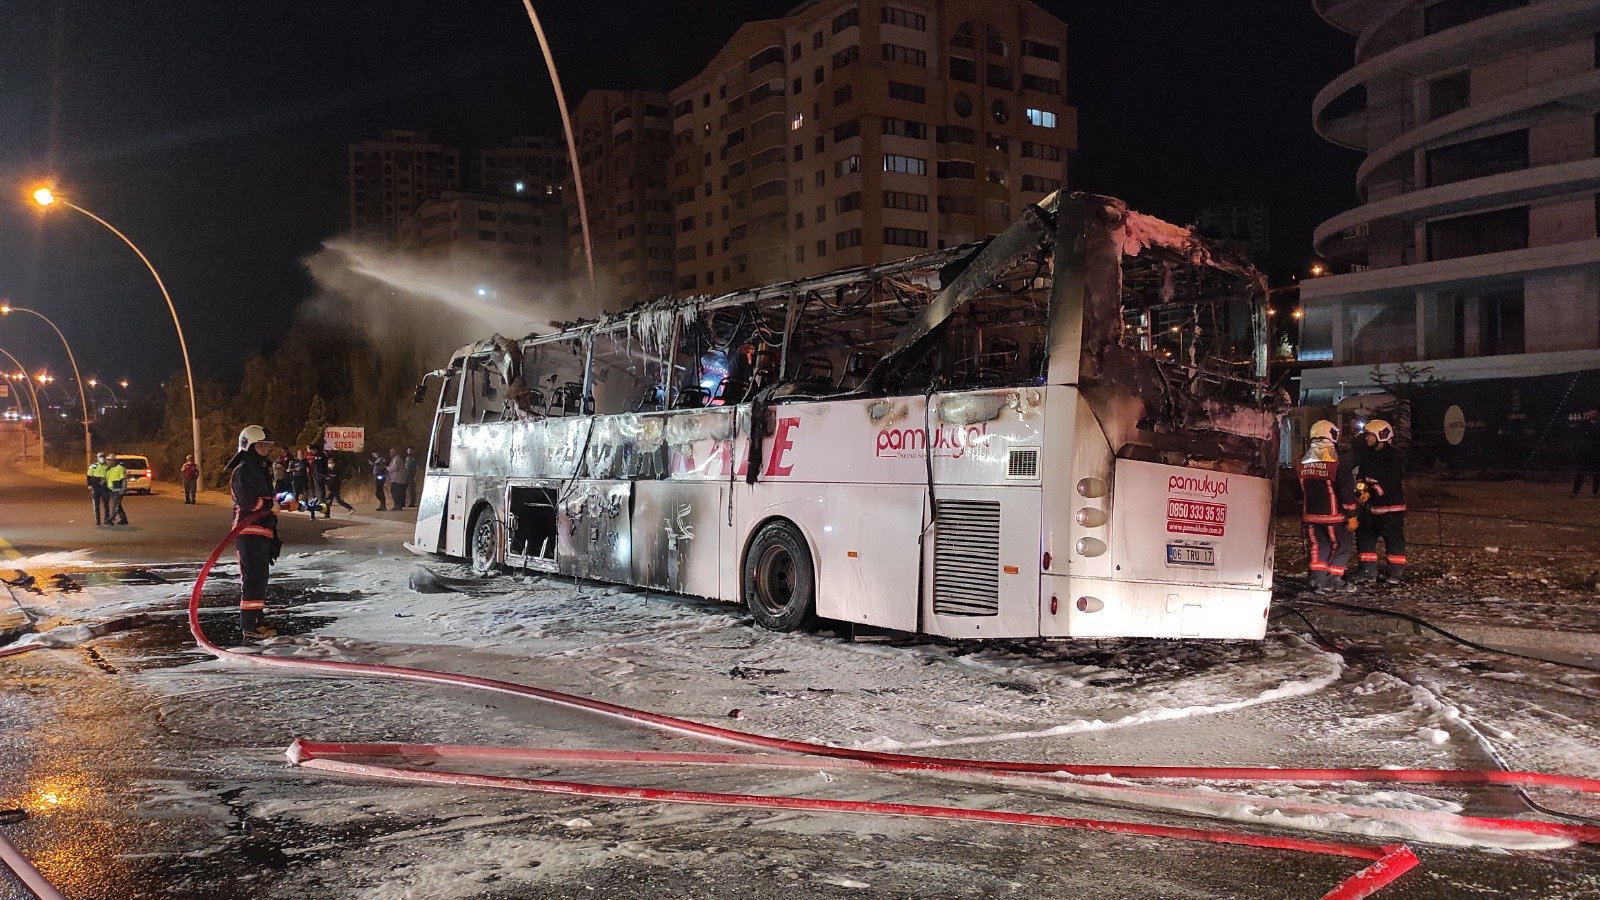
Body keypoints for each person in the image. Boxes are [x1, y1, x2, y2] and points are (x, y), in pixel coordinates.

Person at [228, 425, 281, 639]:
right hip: (248, 531)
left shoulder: (259, 469)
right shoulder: (243, 470)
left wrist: (277, 503)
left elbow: (265, 499)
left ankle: (256, 619)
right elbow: (248, 500)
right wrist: (270, 505)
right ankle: (249, 626)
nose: (266, 450)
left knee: (260, 579)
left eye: (268, 446)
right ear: (248, 446)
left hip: (262, 530)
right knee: (252, 579)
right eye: (262, 445)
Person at [1296, 420, 1358, 592]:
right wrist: (1352, 514)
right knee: (1342, 545)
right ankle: (1334, 579)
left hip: (1310, 515)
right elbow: (1346, 491)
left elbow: (1298, 491)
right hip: (1334, 516)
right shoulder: (1338, 462)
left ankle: (1317, 580)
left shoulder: (1302, 461)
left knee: (1318, 546)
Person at [1352, 419, 1407, 584]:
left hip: (1391, 508)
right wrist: (1359, 491)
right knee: (1364, 537)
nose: (1367, 438)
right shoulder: (1367, 455)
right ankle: (1368, 571)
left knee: (1394, 540)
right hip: (1371, 508)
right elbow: (1361, 477)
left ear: (1380, 436)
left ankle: (1395, 574)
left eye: (1370, 435)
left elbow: (1389, 482)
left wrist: (1371, 493)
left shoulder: (1396, 456)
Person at [1571, 408, 1600, 498]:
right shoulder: (1583, 424)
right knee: (1580, 472)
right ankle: (1575, 492)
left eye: (1594, 413)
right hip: (1586, 452)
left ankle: (1595, 492)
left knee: (1597, 473)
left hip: (1597, 452)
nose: (1592, 415)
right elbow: (1582, 435)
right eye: (1591, 413)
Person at [103, 453, 130, 526]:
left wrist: (123, 489)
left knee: (115, 505)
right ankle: (124, 519)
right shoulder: (109, 469)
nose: (107, 462)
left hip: (118, 490)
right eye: (107, 460)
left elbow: (123, 479)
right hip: (111, 490)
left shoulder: (120, 468)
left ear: (113, 460)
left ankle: (110, 519)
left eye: (109, 460)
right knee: (118, 505)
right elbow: (107, 479)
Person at [87, 452, 110, 526]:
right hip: (96, 487)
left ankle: (106, 520)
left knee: (106, 504)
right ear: (97, 458)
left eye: (103, 457)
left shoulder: (108, 466)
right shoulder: (93, 466)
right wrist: (89, 485)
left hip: (104, 487)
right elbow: (89, 476)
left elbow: (110, 476)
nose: (102, 458)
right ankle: (98, 520)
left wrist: (105, 480)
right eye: (100, 457)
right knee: (96, 505)